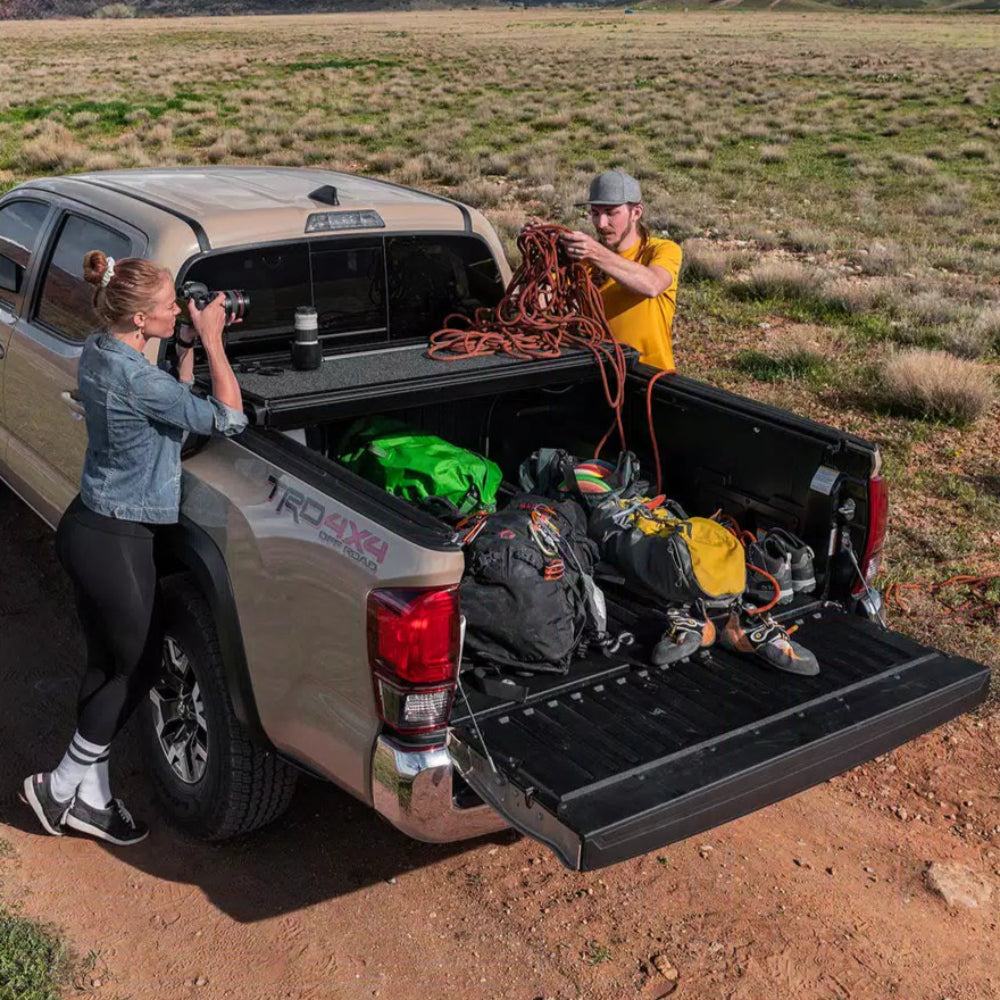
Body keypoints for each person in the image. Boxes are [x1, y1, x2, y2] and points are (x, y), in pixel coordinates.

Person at [22, 251, 247, 846]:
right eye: (170, 306)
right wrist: (214, 340)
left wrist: (187, 352)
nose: (180, 309)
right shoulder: (135, 376)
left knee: (106, 664)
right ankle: (59, 786)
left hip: (90, 527)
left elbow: (158, 406)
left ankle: (91, 798)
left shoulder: (102, 351)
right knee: (137, 667)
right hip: (118, 539)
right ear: (143, 320)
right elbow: (228, 418)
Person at [560, 169, 683, 371]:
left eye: (610, 213)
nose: (601, 224)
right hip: (598, 374)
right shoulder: (583, 259)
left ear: (636, 213)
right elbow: (537, 303)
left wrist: (595, 252)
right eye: (595, 213)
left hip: (649, 376)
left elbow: (652, 285)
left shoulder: (662, 250)